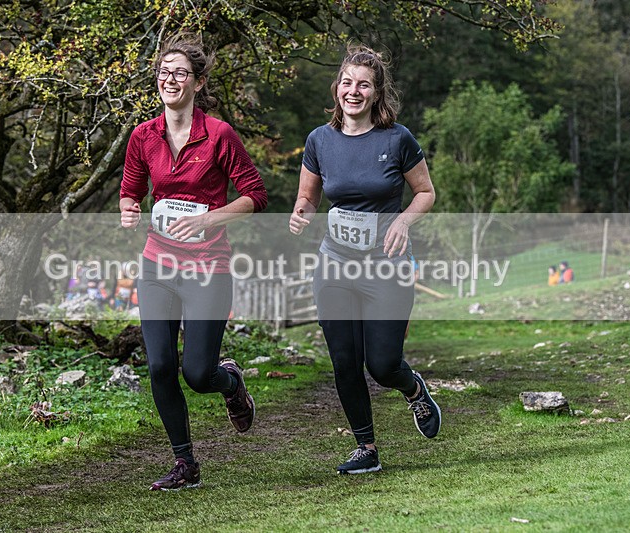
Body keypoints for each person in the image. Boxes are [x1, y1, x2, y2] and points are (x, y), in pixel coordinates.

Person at [119, 33, 267, 491]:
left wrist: (210, 219)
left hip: (208, 265)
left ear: (198, 82)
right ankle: (186, 463)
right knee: (160, 366)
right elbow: (131, 187)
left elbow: (256, 195)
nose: (170, 79)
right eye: (164, 72)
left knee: (198, 373)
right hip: (158, 265)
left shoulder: (219, 135)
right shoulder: (143, 135)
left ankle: (230, 384)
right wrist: (128, 207)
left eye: (180, 72)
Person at [289, 44, 441, 475]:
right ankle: (366, 448)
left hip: (386, 265)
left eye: (364, 85)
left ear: (376, 93)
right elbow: (308, 195)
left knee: (383, 363)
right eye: (348, 83)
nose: (354, 91)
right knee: (344, 360)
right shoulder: (320, 139)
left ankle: (412, 389)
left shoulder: (397, 139)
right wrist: (302, 213)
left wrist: (402, 223)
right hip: (335, 264)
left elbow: (425, 193)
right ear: (337, 87)